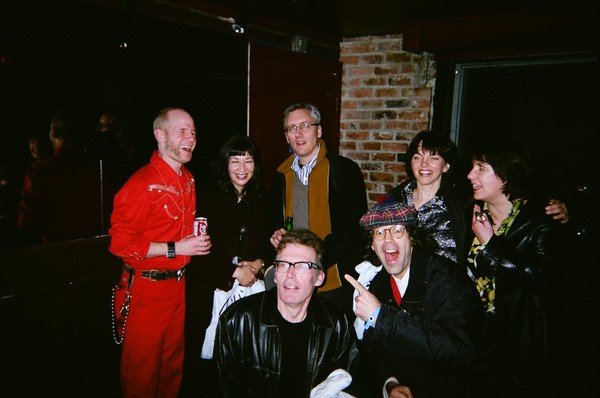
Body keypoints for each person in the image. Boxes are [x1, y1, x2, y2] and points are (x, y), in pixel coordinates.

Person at [108, 107, 212, 398]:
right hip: (145, 290)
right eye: (182, 131)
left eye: (193, 131)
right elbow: (120, 244)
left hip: (177, 287)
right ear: (160, 135)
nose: (190, 137)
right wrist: (177, 248)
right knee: (141, 375)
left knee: (171, 370)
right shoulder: (140, 184)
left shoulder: (188, 180)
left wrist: (192, 243)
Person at [462, 138, 566, 398]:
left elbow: (541, 279)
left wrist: (492, 244)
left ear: (507, 175)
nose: (470, 174)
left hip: (515, 341)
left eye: (481, 168)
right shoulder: (471, 212)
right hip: (472, 333)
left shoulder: (542, 218)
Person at [344, 201, 482, 398]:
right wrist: (390, 383)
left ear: (412, 238)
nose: (388, 239)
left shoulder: (447, 278)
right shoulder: (377, 286)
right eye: (379, 233)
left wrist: (381, 316)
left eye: (398, 230)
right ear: (373, 246)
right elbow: (374, 352)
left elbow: (458, 354)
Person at [215, 229, 359, 398]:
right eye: (283, 264)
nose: (290, 274)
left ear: (319, 277)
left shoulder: (337, 325)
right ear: (275, 274)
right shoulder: (236, 321)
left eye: (302, 266)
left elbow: (352, 385)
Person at [387, 131, 569, 265]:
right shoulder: (394, 199)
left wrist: (562, 209)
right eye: (417, 157)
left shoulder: (463, 203)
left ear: (446, 166)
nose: (424, 164)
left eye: (434, 157)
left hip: (447, 296)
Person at [181, 134, 271, 397]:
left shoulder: (262, 200)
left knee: (242, 365)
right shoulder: (205, 199)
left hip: (247, 297)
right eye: (235, 161)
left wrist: (259, 262)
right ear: (224, 164)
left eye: (248, 161)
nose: (242, 168)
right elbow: (195, 254)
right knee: (204, 368)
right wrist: (233, 271)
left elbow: (269, 244)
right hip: (208, 295)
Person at [269, 102, 367, 314]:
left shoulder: (344, 171)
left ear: (319, 130)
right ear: (286, 136)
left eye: (305, 125)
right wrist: (276, 234)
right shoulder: (281, 175)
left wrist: (316, 264)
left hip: (333, 278)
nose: (298, 133)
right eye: (291, 128)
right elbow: (275, 222)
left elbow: (352, 229)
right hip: (293, 281)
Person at [17, 109, 102, 243]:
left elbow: (27, 222)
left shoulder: (41, 172)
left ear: (54, 132)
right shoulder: (98, 168)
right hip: (97, 247)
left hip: (55, 251)